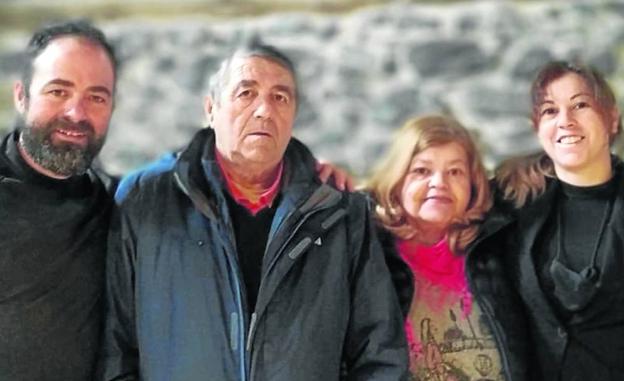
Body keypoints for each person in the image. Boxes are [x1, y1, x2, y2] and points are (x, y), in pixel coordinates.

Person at [97, 40, 408, 381]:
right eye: (246, 93)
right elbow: (115, 348)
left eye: (280, 97)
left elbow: (379, 353)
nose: (264, 111)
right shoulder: (146, 199)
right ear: (211, 110)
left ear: (293, 116)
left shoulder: (338, 212)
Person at [477, 61, 624, 380]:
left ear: (612, 119)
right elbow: (424, 201)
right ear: (537, 128)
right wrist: (343, 186)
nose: (566, 121)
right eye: (550, 111)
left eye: (580, 105)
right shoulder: (511, 200)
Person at [366, 115, 530, 380]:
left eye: (455, 172)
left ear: (472, 185)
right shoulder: (369, 251)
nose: (439, 182)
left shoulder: (497, 245)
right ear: (397, 181)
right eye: (422, 171)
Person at [0, 20, 118, 380]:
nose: (76, 113)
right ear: (21, 96)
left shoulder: (116, 207)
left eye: (96, 97)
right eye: (58, 91)